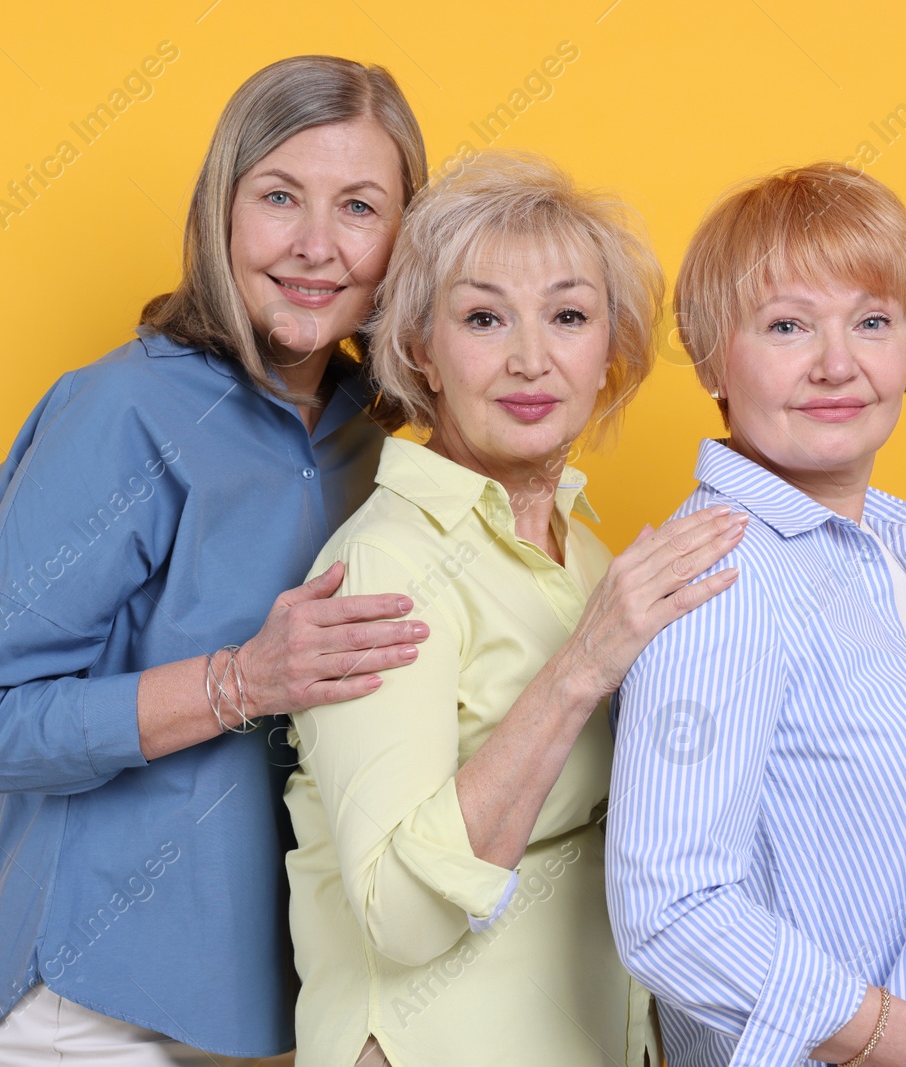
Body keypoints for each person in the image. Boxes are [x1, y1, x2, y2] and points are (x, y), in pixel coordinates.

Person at [0, 56, 432, 1065]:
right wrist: (241, 678)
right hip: (101, 1011)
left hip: (296, 1008)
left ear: (403, 241)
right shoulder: (117, 413)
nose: (316, 247)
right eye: (279, 196)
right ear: (219, 214)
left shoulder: (375, 438)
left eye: (360, 207)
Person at [282, 152, 746, 1067]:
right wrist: (581, 666)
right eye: (484, 317)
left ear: (607, 348)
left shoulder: (593, 560)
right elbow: (403, 918)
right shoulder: (389, 562)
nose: (531, 358)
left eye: (568, 315)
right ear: (421, 346)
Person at [605, 163, 906, 1067]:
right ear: (707, 356)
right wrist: (905, 1040)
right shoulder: (723, 579)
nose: (838, 363)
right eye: (786, 326)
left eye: (873, 321)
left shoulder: (869, 542)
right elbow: (671, 911)